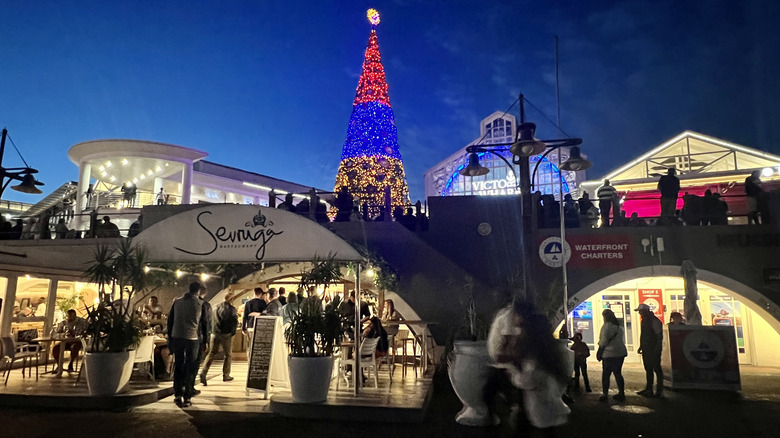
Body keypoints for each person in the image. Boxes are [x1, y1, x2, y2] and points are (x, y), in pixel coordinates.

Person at [167, 282, 207, 408]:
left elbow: (170, 320)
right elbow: (205, 324)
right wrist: (206, 341)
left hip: (177, 336)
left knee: (178, 365)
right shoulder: (201, 304)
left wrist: (170, 338)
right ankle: (187, 396)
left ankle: (177, 394)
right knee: (190, 367)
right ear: (199, 291)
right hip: (192, 338)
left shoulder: (177, 302)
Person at [200, 293, 238, 385]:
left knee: (211, 353)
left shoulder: (215, 307)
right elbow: (234, 322)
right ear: (232, 299)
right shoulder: (232, 309)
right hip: (226, 334)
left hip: (214, 333)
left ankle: (203, 372)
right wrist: (232, 332)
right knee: (228, 355)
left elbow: (209, 319)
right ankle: (226, 375)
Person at [597, 309, 628, 403]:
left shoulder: (606, 327)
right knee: (618, 373)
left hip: (609, 354)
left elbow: (603, 341)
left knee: (606, 374)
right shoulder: (619, 327)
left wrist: (599, 352)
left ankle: (605, 394)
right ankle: (621, 393)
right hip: (620, 353)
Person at [636, 303, 664, 398]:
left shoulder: (653, 320)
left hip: (652, 348)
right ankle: (649, 388)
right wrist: (641, 346)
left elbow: (659, 335)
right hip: (647, 347)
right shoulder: (646, 320)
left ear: (645, 311)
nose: (640, 313)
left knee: (656, 368)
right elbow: (644, 334)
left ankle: (659, 390)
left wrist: (657, 347)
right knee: (648, 368)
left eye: (641, 311)